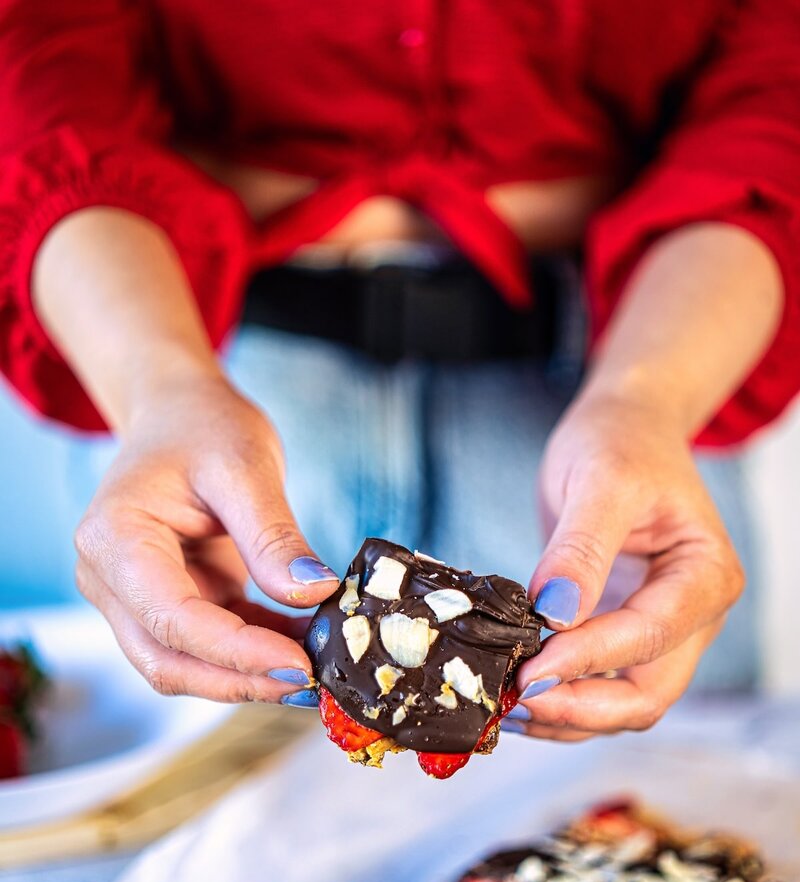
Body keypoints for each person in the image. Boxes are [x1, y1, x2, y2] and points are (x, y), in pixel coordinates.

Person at [0, 2, 797, 744]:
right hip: (202, 386)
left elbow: (772, 96)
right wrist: (159, 391)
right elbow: (41, 69)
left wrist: (647, 399)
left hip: (637, 372)